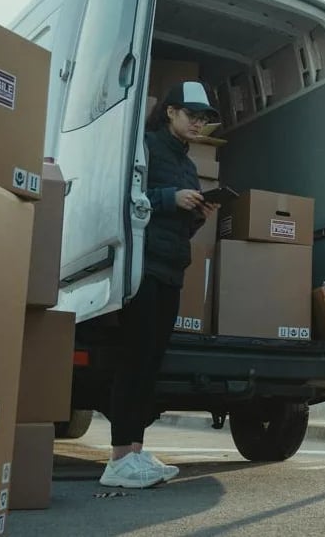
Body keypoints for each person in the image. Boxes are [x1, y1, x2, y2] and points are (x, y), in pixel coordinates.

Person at [99, 81, 221, 488]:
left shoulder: (188, 165)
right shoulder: (146, 147)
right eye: (192, 115)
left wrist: (198, 213)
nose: (198, 124)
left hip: (172, 268)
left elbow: (181, 224)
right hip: (144, 266)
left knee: (151, 362)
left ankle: (135, 452)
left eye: (203, 119)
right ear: (170, 112)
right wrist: (171, 198)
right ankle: (118, 459)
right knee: (134, 359)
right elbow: (124, 198)